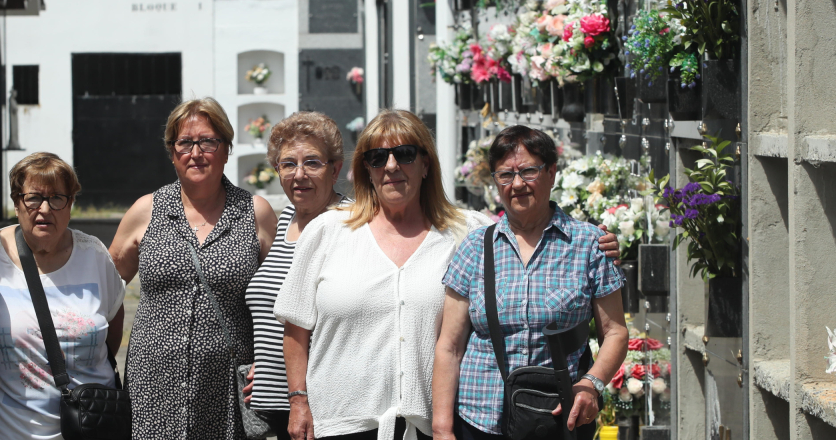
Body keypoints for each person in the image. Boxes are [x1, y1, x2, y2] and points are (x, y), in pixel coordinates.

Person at [274, 112, 620, 440]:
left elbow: (526, 226)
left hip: (424, 423)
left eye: (405, 154)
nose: (391, 166)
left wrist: (593, 240)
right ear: (366, 169)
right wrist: (298, 400)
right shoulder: (327, 230)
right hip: (338, 421)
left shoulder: (464, 231)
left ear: (426, 164)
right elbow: (296, 328)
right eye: (378, 158)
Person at [431, 125, 629, 440]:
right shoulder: (474, 248)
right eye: (505, 175)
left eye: (529, 171)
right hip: (479, 421)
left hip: (554, 418)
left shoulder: (590, 244)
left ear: (551, 173)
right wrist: (442, 429)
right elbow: (450, 346)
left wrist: (592, 384)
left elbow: (616, 332)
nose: (518, 184)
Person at [109, 97, 279, 440]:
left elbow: (279, 298)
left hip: (228, 388)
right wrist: (102, 357)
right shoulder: (146, 211)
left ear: (227, 149)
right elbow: (107, 289)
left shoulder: (255, 213)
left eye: (208, 141)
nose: (196, 152)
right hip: (153, 385)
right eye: (184, 142)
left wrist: (270, 360)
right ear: (172, 152)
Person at [0, 152, 125, 440]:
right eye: (33, 198)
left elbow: (112, 333)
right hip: (6, 431)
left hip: (90, 428)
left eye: (57, 198)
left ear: (71, 204)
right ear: (16, 203)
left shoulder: (94, 255)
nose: (45, 209)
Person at [243, 112, 351, 439]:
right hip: (275, 404)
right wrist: (262, 359)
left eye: (312, 163)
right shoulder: (287, 217)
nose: (299, 175)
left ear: (335, 169)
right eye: (288, 164)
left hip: (320, 407)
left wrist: (301, 396)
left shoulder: (348, 225)